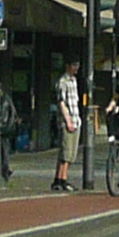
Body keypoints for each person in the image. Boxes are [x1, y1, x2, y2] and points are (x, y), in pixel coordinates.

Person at [50, 61, 82, 191]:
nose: (76, 68)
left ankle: (60, 179)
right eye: (74, 65)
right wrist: (68, 121)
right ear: (67, 66)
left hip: (75, 119)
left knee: (70, 153)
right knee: (66, 152)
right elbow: (62, 103)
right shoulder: (63, 81)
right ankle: (61, 179)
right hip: (68, 121)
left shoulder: (73, 80)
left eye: (77, 66)